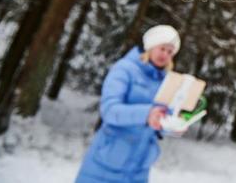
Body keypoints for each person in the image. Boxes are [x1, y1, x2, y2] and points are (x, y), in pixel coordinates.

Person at [75, 25, 181, 183]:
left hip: (139, 168)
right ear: (151, 45)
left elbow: (161, 119)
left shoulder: (166, 81)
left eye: (170, 52)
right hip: (107, 161)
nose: (165, 54)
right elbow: (110, 110)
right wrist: (147, 114)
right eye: (162, 48)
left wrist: (172, 126)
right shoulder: (125, 69)